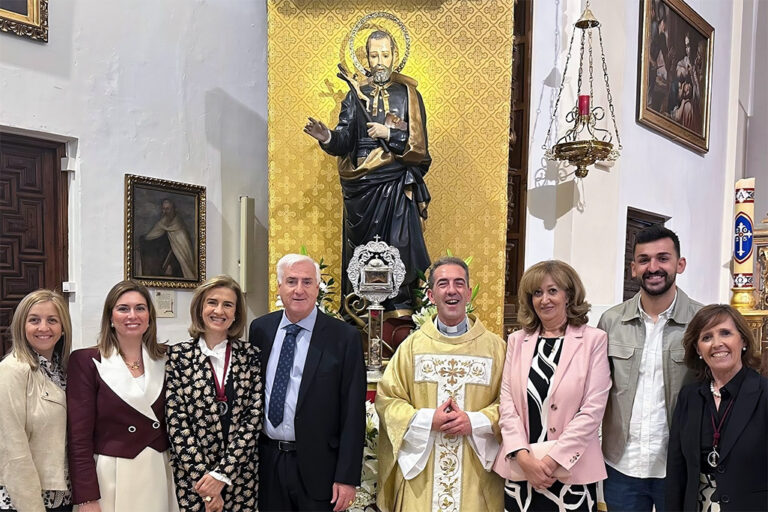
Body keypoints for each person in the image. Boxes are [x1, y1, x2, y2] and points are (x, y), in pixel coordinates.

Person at [304, 30, 431, 311]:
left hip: (395, 182)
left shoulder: (409, 94)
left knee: (398, 246)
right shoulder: (355, 94)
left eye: (385, 54)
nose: (380, 61)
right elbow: (344, 139)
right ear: (367, 58)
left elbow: (420, 146)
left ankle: (399, 309)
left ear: (395, 56)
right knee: (362, 250)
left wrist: (390, 133)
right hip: (361, 183)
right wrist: (327, 137)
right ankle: (360, 308)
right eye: (374, 55)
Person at [376, 256, 506, 511]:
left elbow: (512, 405)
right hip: (422, 477)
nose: (452, 290)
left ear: (468, 293)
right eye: (443, 284)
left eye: (459, 283)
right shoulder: (412, 348)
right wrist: (426, 421)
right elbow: (387, 400)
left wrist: (475, 421)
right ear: (432, 295)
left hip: (475, 475)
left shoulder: (495, 348)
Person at [248, 254, 366, 512]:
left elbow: (353, 412)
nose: (299, 290)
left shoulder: (344, 337)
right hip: (269, 463)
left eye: (307, 282)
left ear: (318, 287)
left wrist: (347, 477)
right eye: (291, 281)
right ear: (279, 287)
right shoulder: (260, 330)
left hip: (320, 467)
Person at [598, 225, 702, 512]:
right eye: (644, 260)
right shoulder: (611, 322)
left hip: (678, 464)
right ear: (633, 268)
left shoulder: (702, 321)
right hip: (622, 465)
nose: (653, 267)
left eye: (663, 258)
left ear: (680, 264)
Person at [493, 260, 610, 511]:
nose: (544, 299)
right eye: (537, 293)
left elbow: (593, 410)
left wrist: (551, 461)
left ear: (569, 295)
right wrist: (524, 458)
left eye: (552, 290)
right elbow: (507, 405)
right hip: (522, 473)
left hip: (571, 472)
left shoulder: (593, 340)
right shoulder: (517, 340)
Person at [67, 280, 178, 512]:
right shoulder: (86, 361)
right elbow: (79, 439)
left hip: (156, 471)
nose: (132, 315)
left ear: (149, 317)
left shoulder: (169, 359)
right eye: (123, 308)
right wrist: (87, 499)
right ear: (110, 317)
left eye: (140, 308)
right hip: (109, 477)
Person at [166, 275, 262, 512]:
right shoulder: (178, 356)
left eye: (228, 305)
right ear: (200, 308)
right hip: (194, 481)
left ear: (236, 314)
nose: (219, 310)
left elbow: (253, 418)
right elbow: (176, 422)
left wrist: (223, 475)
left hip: (240, 478)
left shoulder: (251, 356)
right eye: (212, 302)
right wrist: (207, 486)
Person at [666, 305, 768, 511]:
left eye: (726, 333)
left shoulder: (764, 394)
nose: (717, 343)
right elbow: (677, 470)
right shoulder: (689, 397)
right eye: (706, 337)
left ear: (744, 341)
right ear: (698, 349)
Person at [0, 290, 72, 512]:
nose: (43, 328)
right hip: (25, 502)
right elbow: (12, 450)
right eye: (34, 320)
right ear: (22, 326)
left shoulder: (62, 369)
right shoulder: (12, 370)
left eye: (52, 320)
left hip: (61, 498)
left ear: (62, 328)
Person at [140, 198, 196, 279]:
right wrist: (142, 240)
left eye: (168, 209)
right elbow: (150, 238)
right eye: (163, 209)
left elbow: (184, 255)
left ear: (174, 209)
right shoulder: (161, 224)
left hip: (177, 267)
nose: (165, 212)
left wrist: (171, 264)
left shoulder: (180, 229)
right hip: (161, 266)